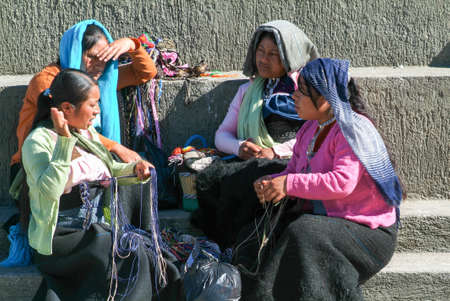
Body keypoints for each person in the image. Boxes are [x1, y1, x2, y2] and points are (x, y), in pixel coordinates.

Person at [233, 58, 405, 300]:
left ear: (324, 99)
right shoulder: (309, 129)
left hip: (368, 233)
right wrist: (273, 182)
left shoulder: (352, 130)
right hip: (334, 221)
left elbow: (342, 182)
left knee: (304, 230)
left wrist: (288, 184)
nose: (294, 95)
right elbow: (293, 171)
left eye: (302, 91)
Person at [15, 69, 180, 301]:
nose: (98, 111)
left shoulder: (86, 133)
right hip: (60, 239)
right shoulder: (38, 142)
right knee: (125, 251)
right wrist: (63, 142)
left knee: (142, 250)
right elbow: (51, 189)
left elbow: (109, 170)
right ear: (66, 109)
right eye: (92, 105)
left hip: (94, 228)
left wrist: (134, 170)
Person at [191, 20, 319, 248]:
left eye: (273, 54)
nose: (263, 59)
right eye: (260, 51)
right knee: (211, 179)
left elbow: (314, 135)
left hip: (291, 164)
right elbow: (222, 136)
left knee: (256, 179)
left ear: (290, 56)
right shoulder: (247, 91)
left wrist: (275, 151)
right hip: (252, 162)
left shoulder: (306, 93)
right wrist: (239, 147)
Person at [11, 19, 156, 175]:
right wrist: (116, 147)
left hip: (91, 161)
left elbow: (146, 73)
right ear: (75, 51)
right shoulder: (49, 81)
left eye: (104, 58)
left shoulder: (101, 79)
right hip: (41, 166)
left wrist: (131, 44)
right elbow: (67, 129)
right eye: (92, 57)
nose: (99, 65)